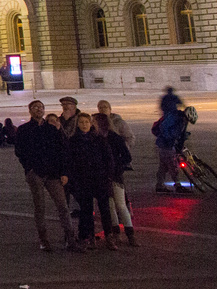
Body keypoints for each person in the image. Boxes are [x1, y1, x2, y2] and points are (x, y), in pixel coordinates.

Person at [14, 99, 72, 252]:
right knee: (40, 206)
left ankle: (70, 238)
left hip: (53, 173)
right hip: (36, 173)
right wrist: (29, 169)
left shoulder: (51, 129)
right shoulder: (24, 130)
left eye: (41, 107)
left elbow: (62, 150)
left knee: (62, 205)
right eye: (35, 107)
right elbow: (20, 151)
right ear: (30, 111)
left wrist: (63, 172)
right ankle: (44, 239)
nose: (39, 110)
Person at [66, 110, 117, 251]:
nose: (84, 125)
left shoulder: (99, 139)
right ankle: (86, 237)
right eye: (81, 122)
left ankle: (109, 237)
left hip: (100, 179)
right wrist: (74, 180)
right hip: (83, 181)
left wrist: (108, 176)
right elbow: (70, 162)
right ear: (77, 124)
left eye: (86, 122)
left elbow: (109, 159)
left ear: (91, 124)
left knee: (105, 209)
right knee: (86, 211)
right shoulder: (73, 141)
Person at [96, 112, 136, 246]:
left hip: (115, 176)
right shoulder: (96, 139)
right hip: (102, 177)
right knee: (110, 206)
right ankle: (116, 232)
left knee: (120, 205)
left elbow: (127, 157)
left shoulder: (114, 138)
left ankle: (130, 234)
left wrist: (116, 166)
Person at [153, 88, 188, 193]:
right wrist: (170, 137)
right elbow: (164, 127)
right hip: (166, 144)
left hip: (162, 143)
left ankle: (159, 186)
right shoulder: (175, 117)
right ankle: (177, 185)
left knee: (163, 166)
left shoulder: (166, 99)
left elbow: (162, 107)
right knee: (173, 165)